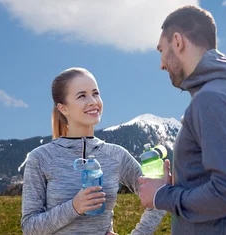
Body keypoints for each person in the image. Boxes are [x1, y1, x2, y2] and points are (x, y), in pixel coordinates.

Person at [137, 5, 226, 235]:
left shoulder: (211, 98)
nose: (161, 63)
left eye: (161, 50)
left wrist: (162, 196)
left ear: (177, 41)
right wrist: (179, 182)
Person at [21, 67, 166, 235]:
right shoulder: (41, 158)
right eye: (82, 96)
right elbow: (29, 227)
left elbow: (158, 198)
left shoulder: (116, 156)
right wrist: (74, 207)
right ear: (63, 108)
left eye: (95, 93)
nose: (93, 101)